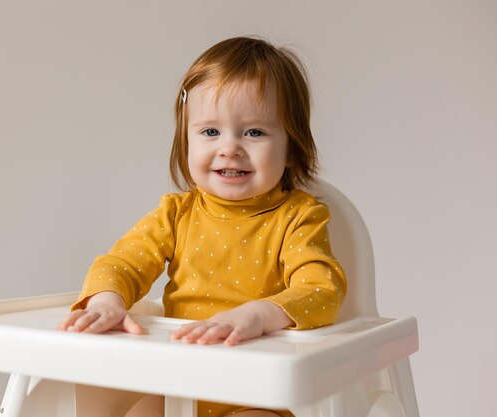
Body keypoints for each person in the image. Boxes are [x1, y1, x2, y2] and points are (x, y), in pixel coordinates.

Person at [57, 36, 347, 417]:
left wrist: (259, 315)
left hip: (255, 394)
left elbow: (321, 289)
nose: (230, 148)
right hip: (177, 383)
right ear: (186, 141)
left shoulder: (299, 217)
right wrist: (107, 303)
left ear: (291, 146)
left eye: (254, 132)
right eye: (211, 132)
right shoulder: (176, 214)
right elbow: (122, 263)